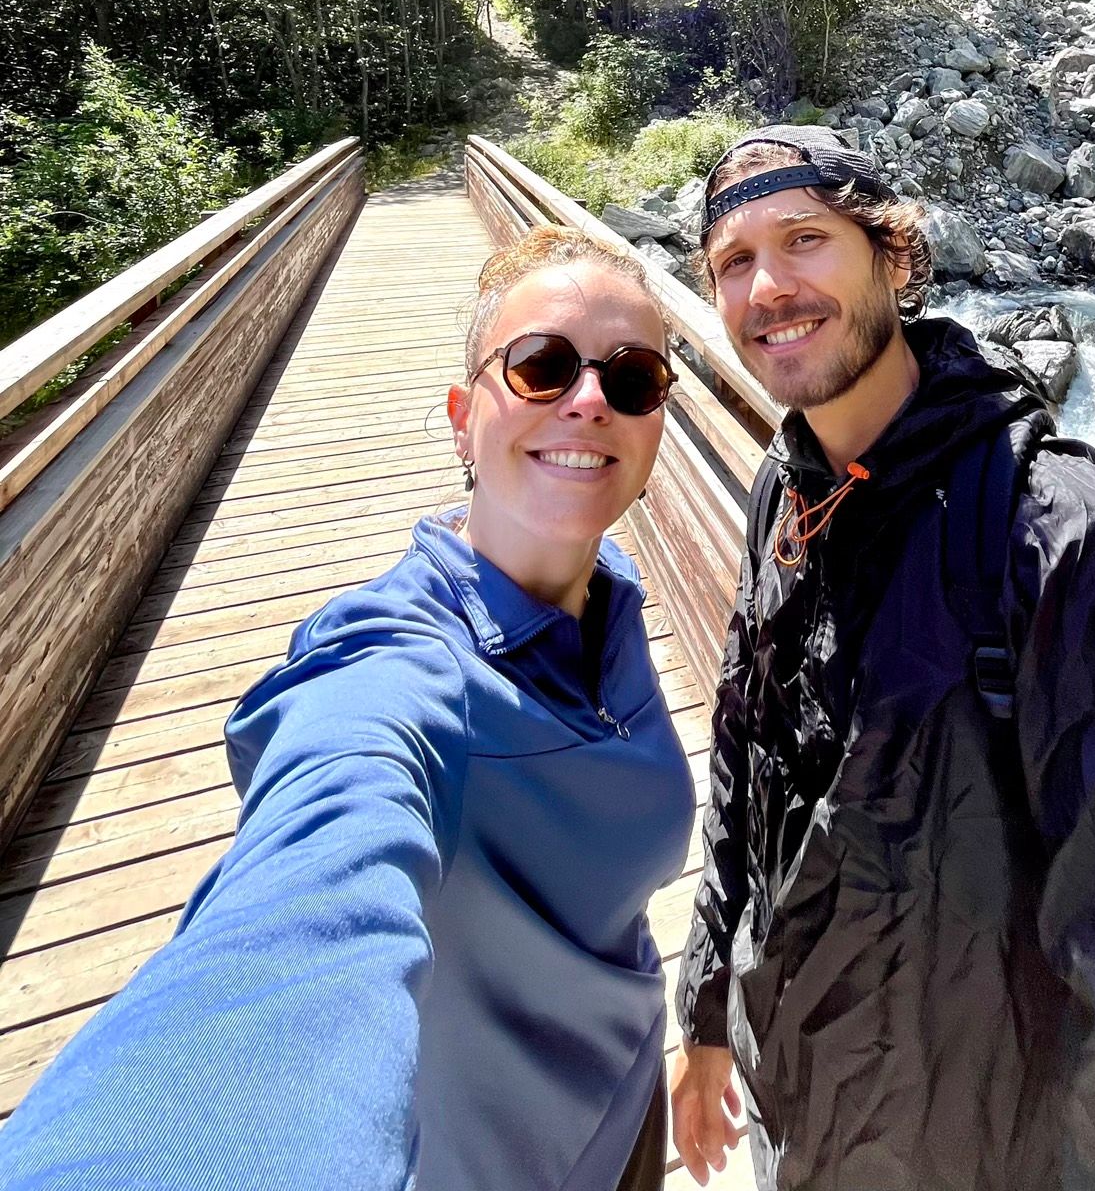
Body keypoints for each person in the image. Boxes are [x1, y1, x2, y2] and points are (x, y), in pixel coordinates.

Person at [669, 127, 1095, 1191]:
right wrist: (702, 1006)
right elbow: (745, 754)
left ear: (893, 257)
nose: (769, 286)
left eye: (804, 240)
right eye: (734, 261)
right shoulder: (787, 492)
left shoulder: (1064, 536)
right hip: (808, 1109)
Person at [0, 225, 696, 1191]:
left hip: (628, 1098)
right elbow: (308, 904)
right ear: (464, 416)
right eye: (542, 367)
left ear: (657, 418)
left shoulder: (611, 595)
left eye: (633, 380)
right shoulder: (393, 672)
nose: (589, 400)